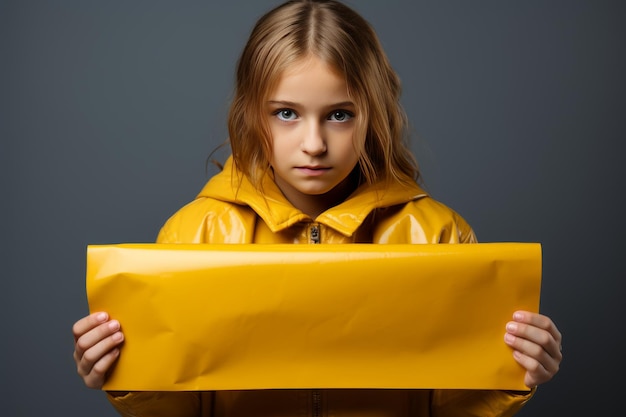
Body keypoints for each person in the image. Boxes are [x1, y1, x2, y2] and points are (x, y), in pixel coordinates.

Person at [72, 1, 563, 416]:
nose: (314, 144)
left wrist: (512, 371)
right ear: (250, 112)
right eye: (286, 113)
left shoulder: (437, 233)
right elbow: (182, 405)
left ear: (375, 114)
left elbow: (451, 405)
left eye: (339, 115)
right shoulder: (193, 234)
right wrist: (126, 375)